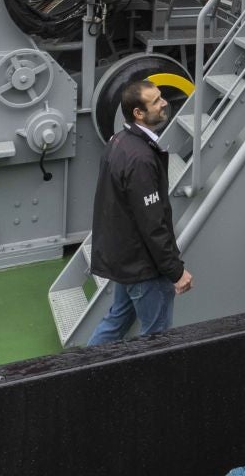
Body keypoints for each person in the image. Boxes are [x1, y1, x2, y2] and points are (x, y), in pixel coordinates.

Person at [87, 80, 193, 344]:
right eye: (156, 101)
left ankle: (81, 369)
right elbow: (153, 224)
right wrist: (175, 271)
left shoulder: (118, 142)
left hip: (125, 260)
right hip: (144, 266)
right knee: (156, 339)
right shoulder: (142, 158)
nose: (164, 103)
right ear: (138, 113)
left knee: (115, 322)